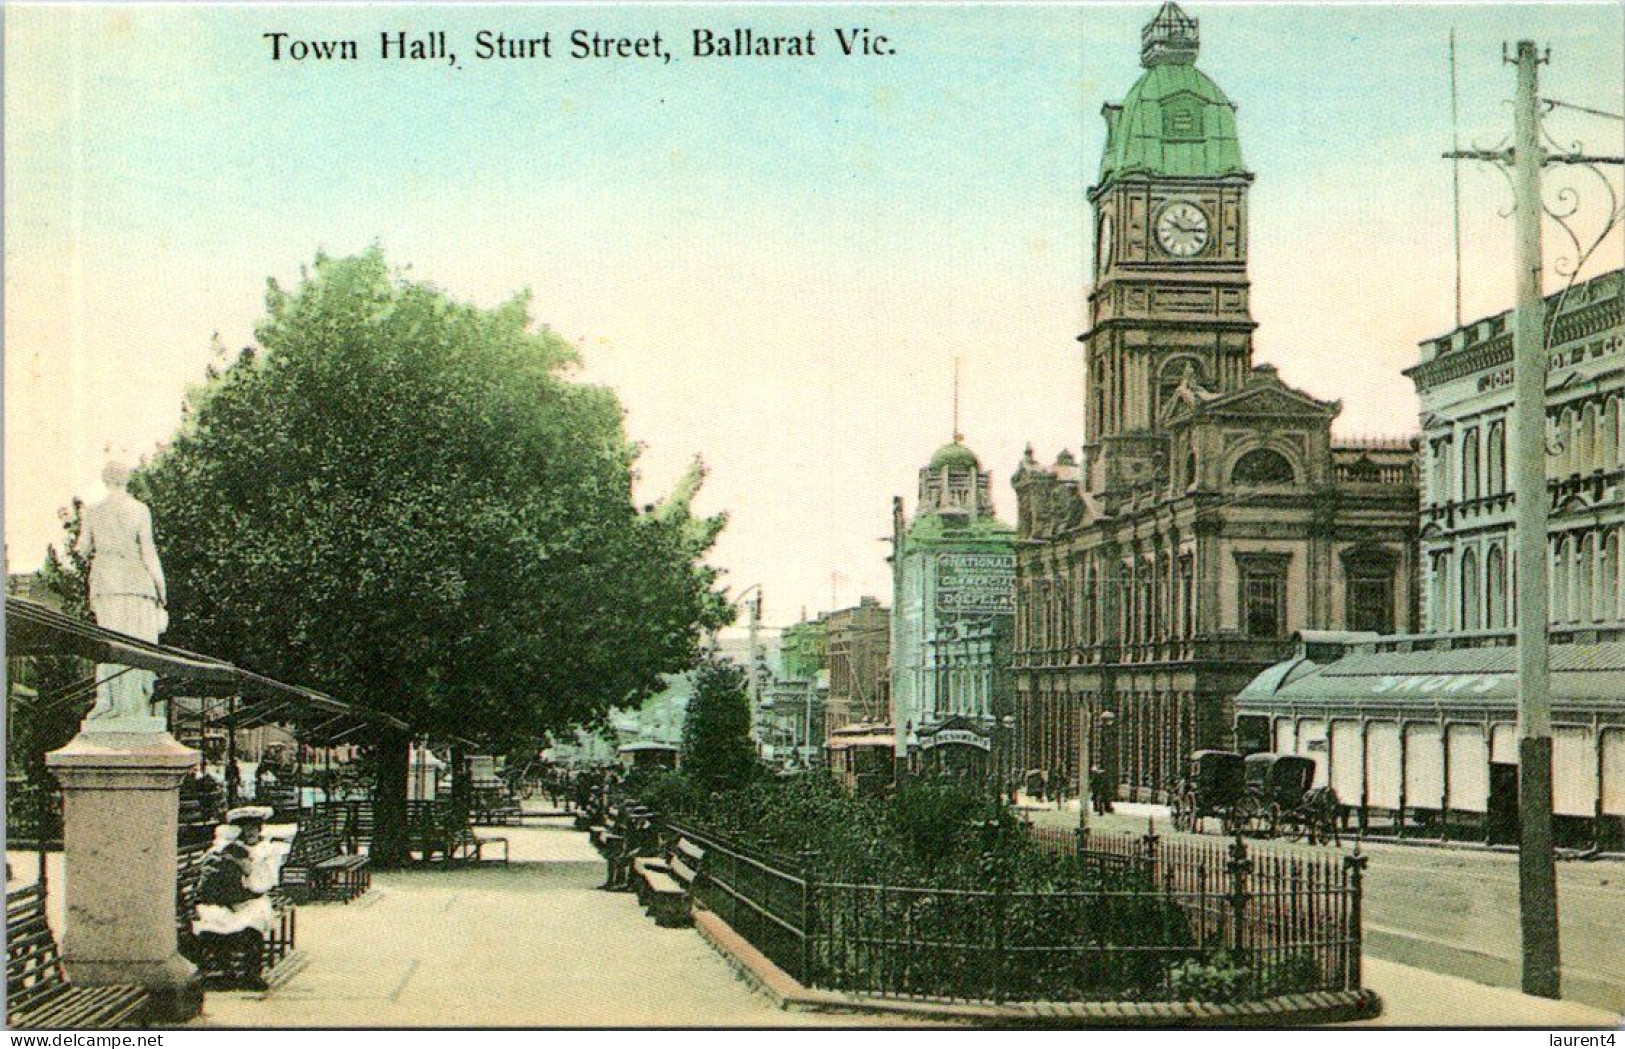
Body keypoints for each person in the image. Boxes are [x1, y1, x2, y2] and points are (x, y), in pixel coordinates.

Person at [192, 806, 293, 988]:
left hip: (253, 901)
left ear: (260, 829)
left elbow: (262, 884)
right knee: (212, 920)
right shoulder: (226, 848)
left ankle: (251, 973)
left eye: (254, 827)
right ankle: (225, 972)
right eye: (245, 828)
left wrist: (247, 868)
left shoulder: (267, 850)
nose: (250, 832)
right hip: (226, 900)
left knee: (253, 922)